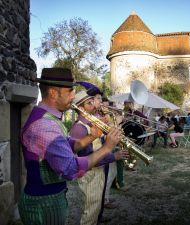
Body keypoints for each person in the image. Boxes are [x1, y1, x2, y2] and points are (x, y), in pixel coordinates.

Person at [18, 68, 122, 225]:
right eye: (70, 90)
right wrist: (107, 148)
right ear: (53, 93)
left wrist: (93, 135)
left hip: (49, 198)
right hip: (44, 203)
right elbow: (70, 168)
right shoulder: (45, 125)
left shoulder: (49, 118)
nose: (73, 96)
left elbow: (67, 144)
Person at [68, 90, 129, 225]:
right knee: (90, 213)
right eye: (90, 103)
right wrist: (114, 156)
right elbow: (87, 160)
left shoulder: (92, 123)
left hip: (99, 172)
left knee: (96, 209)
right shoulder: (79, 128)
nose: (96, 105)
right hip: (90, 176)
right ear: (81, 108)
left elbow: (98, 147)